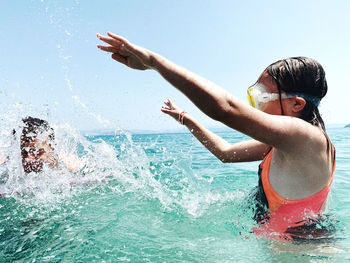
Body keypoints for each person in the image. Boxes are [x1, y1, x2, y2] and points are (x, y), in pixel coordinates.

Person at [97, 32, 335, 240]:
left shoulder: (307, 138)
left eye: (261, 98)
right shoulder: (284, 146)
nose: (255, 107)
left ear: (297, 104)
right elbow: (225, 153)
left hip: (307, 255)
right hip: (285, 251)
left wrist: (153, 62)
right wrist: (186, 119)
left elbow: (226, 109)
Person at [0, 117, 80, 174]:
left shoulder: (69, 167)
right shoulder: (8, 167)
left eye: (38, 153)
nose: (29, 159)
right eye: (23, 153)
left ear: (53, 148)